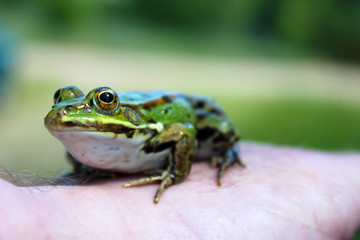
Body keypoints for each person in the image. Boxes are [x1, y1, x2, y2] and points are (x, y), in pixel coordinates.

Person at [0, 142, 359, 239]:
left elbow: (182, 134)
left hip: (189, 114)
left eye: (105, 100)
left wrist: (174, 172)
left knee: (212, 127)